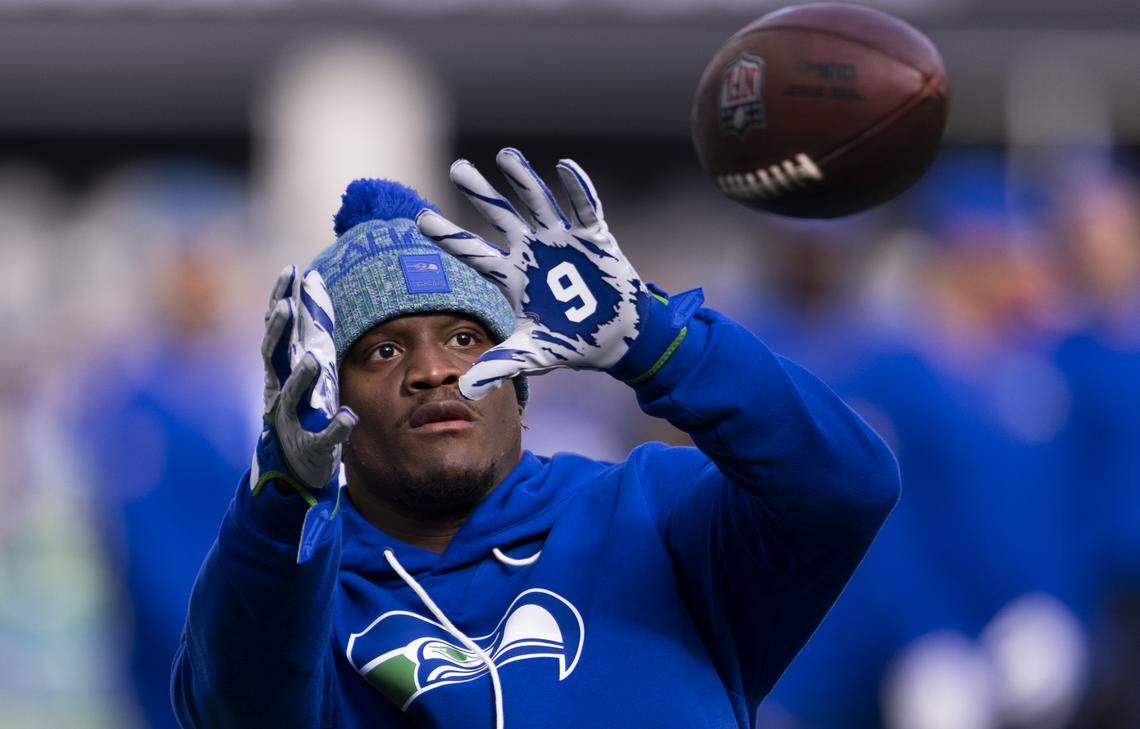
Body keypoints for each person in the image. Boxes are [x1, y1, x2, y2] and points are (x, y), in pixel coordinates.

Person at [171, 148, 899, 728]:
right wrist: (283, 501)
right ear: (328, 392)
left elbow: (847, 487)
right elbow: (238, 704)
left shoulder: (648, 512)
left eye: (463, 335)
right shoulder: (303, 592)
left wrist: (661, 343)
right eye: (382, 352)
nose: (432, 369)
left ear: (522, 382)